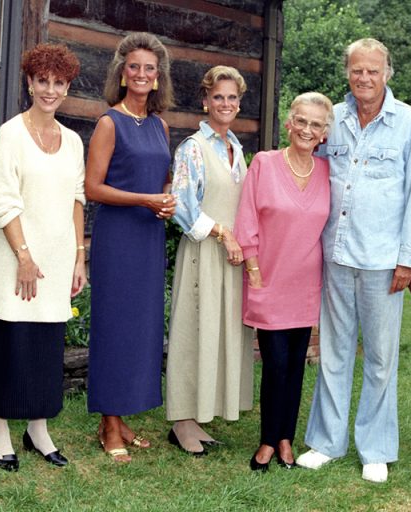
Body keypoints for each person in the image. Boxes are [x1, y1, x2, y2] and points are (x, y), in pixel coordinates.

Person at [295, 38, 411, 483]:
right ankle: (326, 442)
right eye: (357, 70)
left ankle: (375, 448)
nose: (364, 78)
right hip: (336, 254)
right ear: (347, 73)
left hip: (383, 261)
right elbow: (307, 173)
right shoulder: (331, 119)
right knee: (333, 352)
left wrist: (408, 259)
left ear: (387, 73)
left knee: (379, 358)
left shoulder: (408, 122)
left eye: (373, 70)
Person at [0, 43, 85, 471]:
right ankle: (1, 429)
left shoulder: (75, 140)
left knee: (45, 346)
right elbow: (2, 203)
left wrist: (80, 257)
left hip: (59, 259)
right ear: (29, 81)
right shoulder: (11, 134)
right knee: (11, 343)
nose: (50, 89)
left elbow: (77, 199)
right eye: (42, 80)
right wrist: (23, 256)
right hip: (16, 257)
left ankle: (38, 429)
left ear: (66, 87)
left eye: (58, 82)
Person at [85, 32, 176, 463]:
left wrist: (165, 199)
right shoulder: (109, 122)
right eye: (134, 67)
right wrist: (144, 199)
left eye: (149, 69)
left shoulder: (160, 125)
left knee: (140, 329)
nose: (142, 75)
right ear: (123, 73)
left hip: (148, 236)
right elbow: (93, 187)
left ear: (158, 78)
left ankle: (121, 418)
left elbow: (160, 178)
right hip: (118, 238)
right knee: (114, 327)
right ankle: (107, 422)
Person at [234, 92, 334, 472]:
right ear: (289, 123)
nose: (307, 129)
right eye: (301, 121)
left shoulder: (326, 172)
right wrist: (255, 272)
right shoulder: (264, 163)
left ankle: (286, 439)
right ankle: (265, 441)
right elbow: (247, 220)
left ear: (324, 133)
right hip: (268, 281)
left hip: (306, 284)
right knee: (274, 364)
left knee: (295, 365)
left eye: (316, 124)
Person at [165, 65, 253, 456]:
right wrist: (223, 234)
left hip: (232, 259)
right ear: (205, 100)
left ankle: (199, 416)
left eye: (233, 97)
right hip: (205, 251)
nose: (226, 104)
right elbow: (182, 208)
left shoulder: (236, 148)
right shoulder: (193, 148)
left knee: (219, 333)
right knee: (192, 330)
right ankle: (182, 421)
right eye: (219, 96)